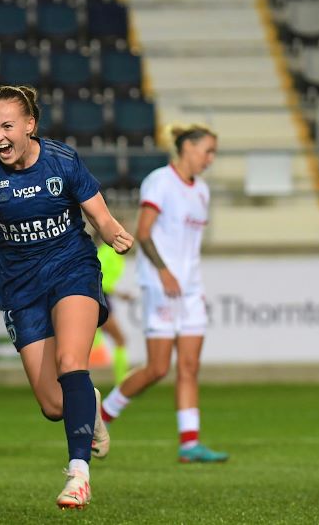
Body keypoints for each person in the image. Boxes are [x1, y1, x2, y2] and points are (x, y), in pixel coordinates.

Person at [0, 85, 134, 510]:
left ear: (30, 125)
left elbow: (100, 216)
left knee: (72, 363)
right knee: (55, 405)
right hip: (20, 288)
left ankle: (78, 475)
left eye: (7, 126)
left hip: (72, 269)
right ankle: (91, 406)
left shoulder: (62, 160)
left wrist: (113, 234)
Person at [100, 123, 229, 464]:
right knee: (158, 368)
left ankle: (190, 444)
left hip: (189, 289)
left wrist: (193, 285)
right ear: (187, 148)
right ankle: (101, 415)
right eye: (208, 151)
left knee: (189, 366)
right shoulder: (160, 181)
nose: (210, 159)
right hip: (161, 286)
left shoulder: (201, 190)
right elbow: (143, 232)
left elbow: (192, 247)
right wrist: (164, 271)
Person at [95, 238, 134, 383]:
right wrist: (120, 294)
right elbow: (100, 280)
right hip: (99, 300)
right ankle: (122, 382)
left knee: (118, 340)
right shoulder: (107, 253)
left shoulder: (106, 252)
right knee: (120, 339)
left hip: (100, 299)